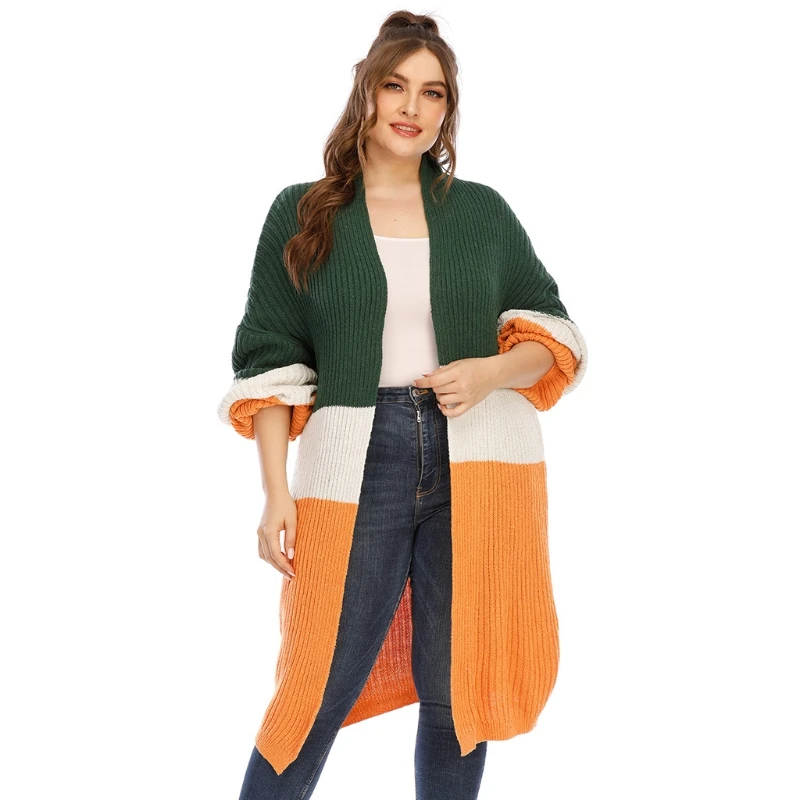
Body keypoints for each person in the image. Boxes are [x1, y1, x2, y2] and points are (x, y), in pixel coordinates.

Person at [218, 10, 588, 800]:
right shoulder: (305, 212)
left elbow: (554, 335)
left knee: (457, 689)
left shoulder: (481, 213)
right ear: (367, 91)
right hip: (359, 461)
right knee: (316, 682)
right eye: (396, 85)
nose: (412, 107)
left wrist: (489, 372)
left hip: (479, 457)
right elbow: (271, 362)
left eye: (433, 92)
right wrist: (276, 491)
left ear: (448, 110)